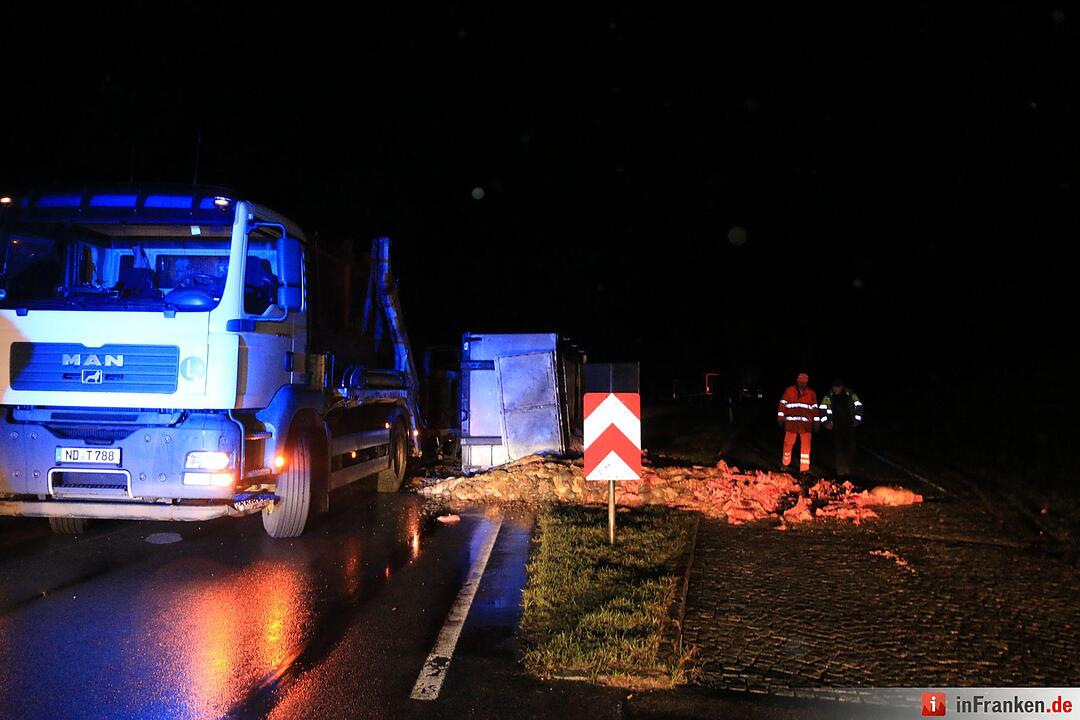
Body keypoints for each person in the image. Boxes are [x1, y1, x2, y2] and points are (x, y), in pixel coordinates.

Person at [777, 372, 819, 475]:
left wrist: (817, 423)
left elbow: (815, 409)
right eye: (800, 382)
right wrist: (780, 418)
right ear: (797, 381)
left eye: (804, 382)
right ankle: (785, 464)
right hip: (792, 425)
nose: (802, 384)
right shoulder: (789, 391)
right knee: (788, 445)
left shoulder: (811, 394)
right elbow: (782, 405)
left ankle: (804, 469)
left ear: (807, 382)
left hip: (806, 426)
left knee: (806, 448)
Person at [819, 379, 863, 478]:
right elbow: (822, 409)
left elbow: (859, 406)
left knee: (850, 448)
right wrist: (826, 423)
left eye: (837, 387)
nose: (836, 389)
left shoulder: (851, 394)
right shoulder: (829, 396)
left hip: (849, 426)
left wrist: (857, 420)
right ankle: (840, 470)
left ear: (842, 387)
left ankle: (847, 469)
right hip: (836, 426)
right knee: (838, 448)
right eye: (834, 387)